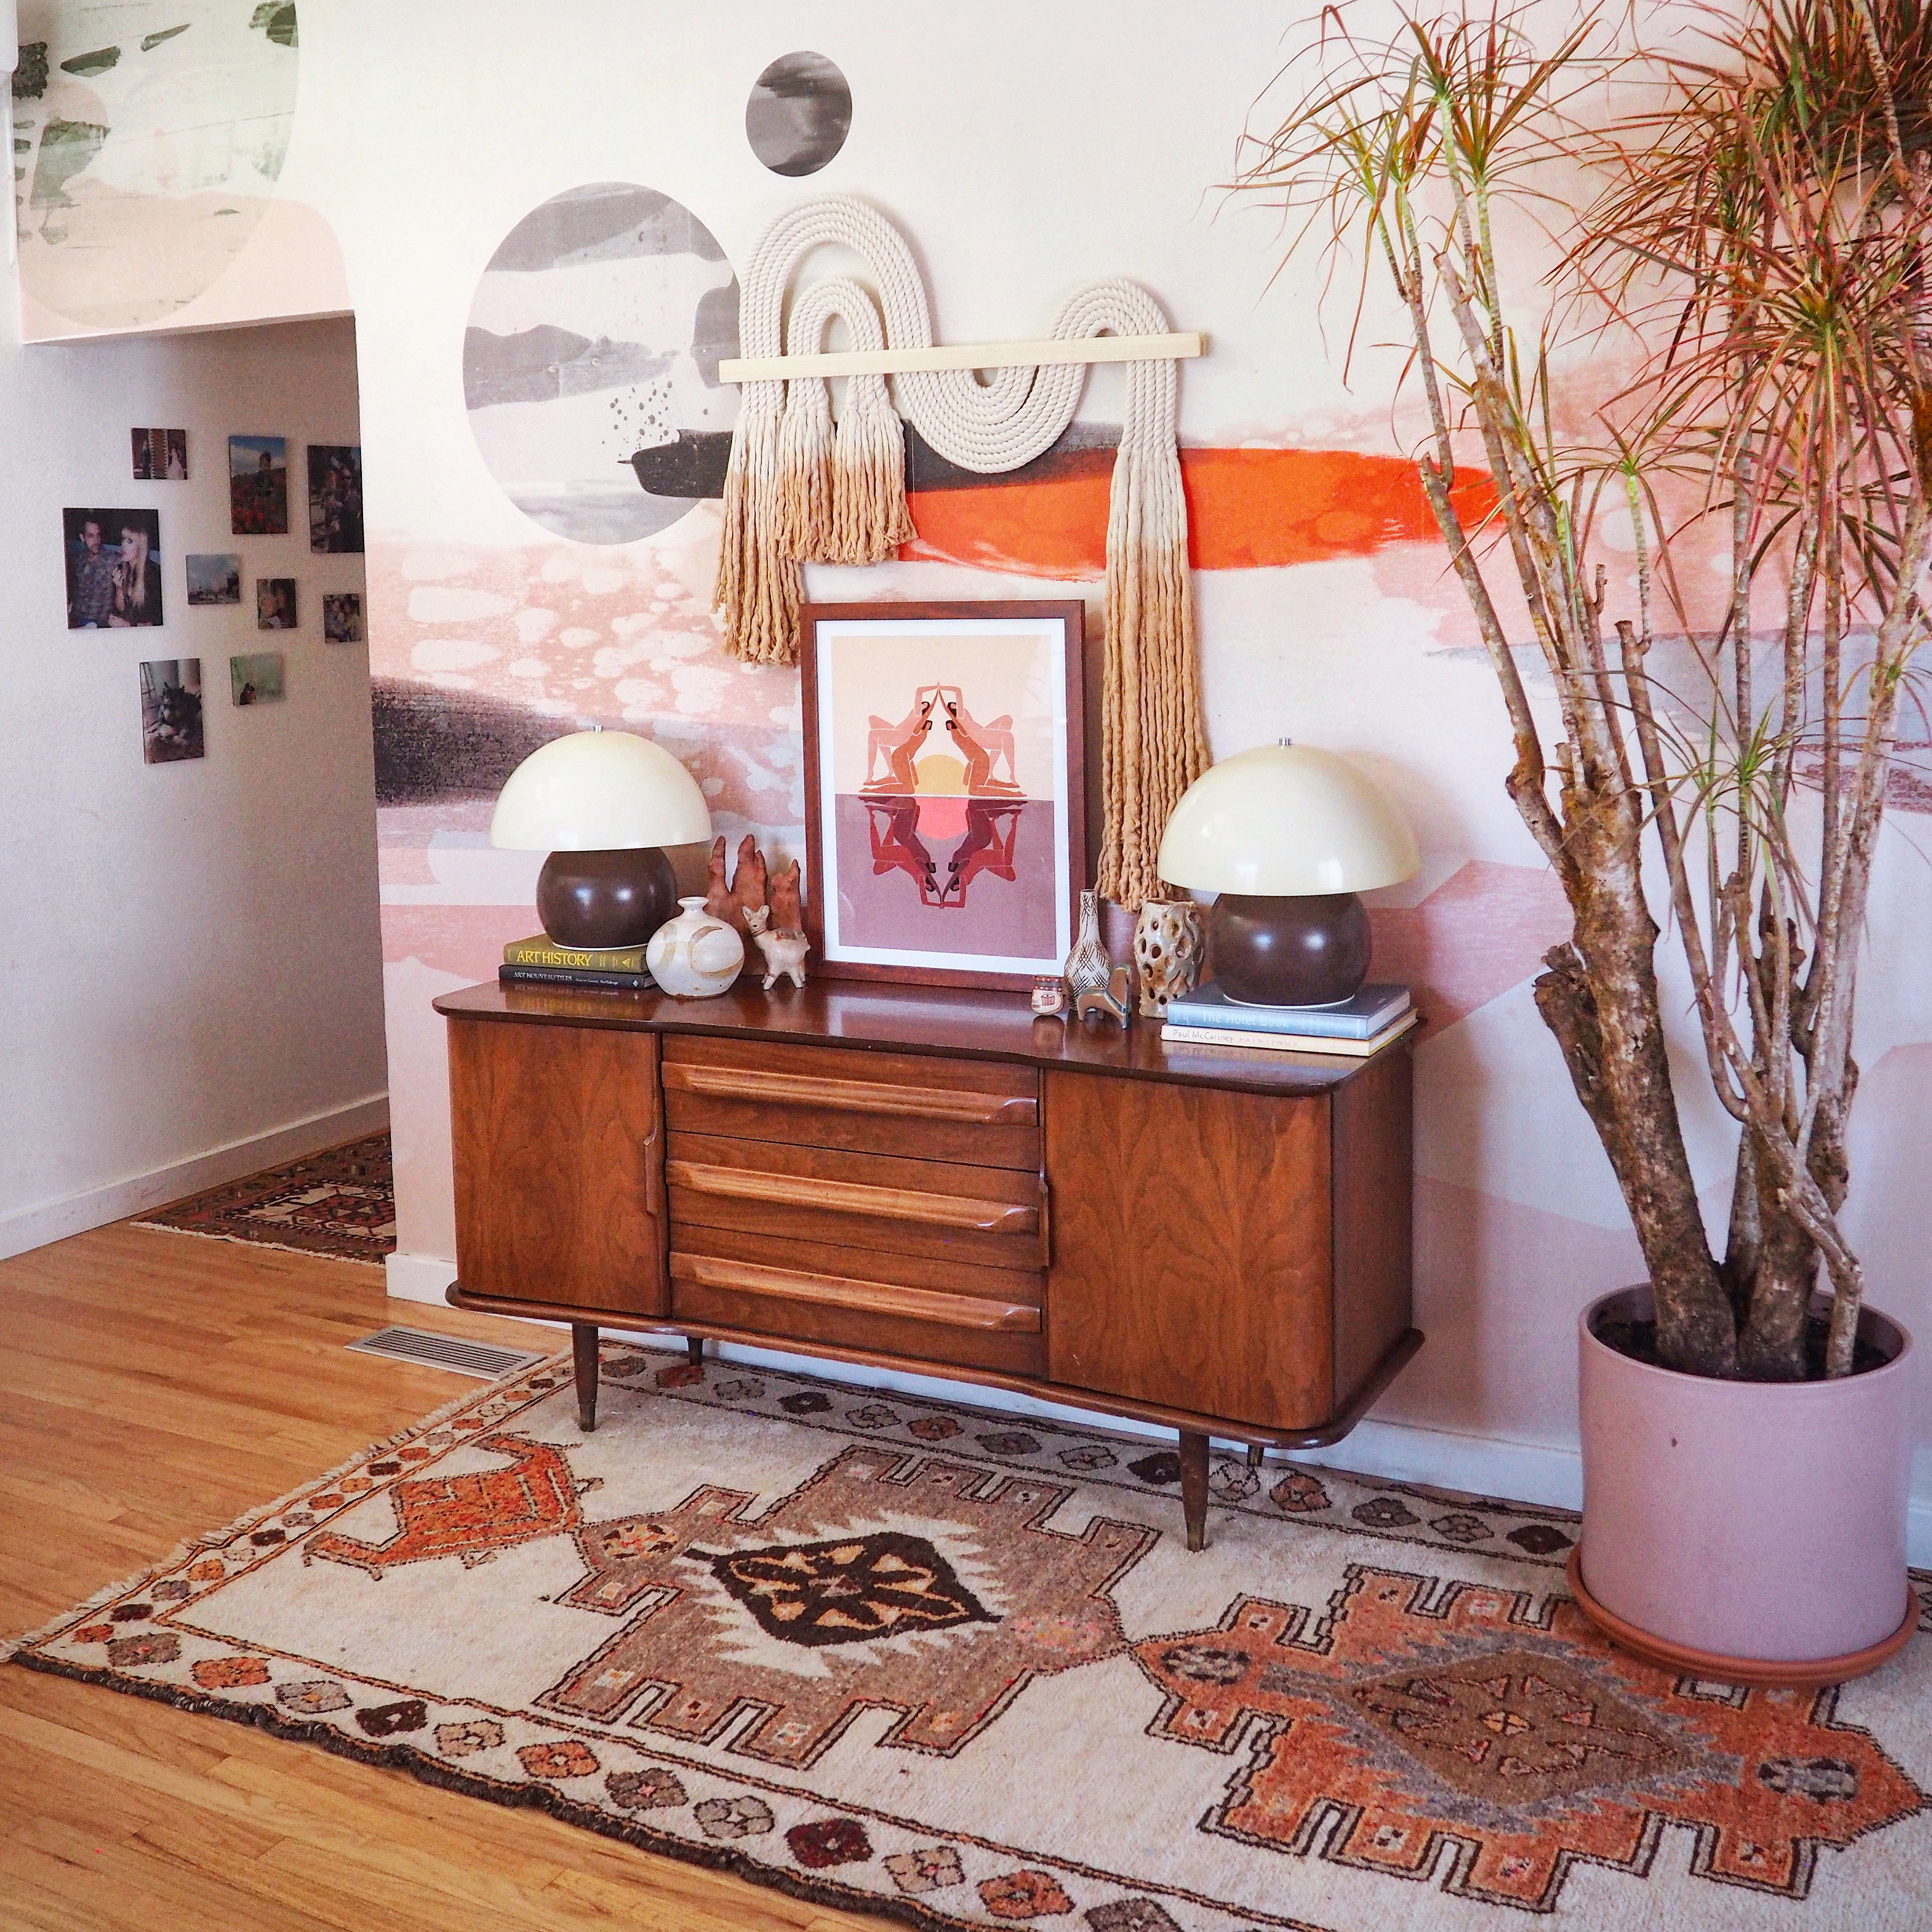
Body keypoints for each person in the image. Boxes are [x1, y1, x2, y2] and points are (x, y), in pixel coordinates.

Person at [107, 521, 161, 627]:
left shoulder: (153, 573)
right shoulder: (121, 569)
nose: (123, 545)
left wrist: (127, 625)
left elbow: (155, 621)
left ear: (140, 547)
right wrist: (119, 589)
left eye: (130, 541)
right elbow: (121, 609)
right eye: (123, 539)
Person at [68, 517, 117, 627]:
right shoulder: (77, 560)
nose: (96, 541)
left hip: (100, 623)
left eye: (98, 535)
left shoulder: (112, 560)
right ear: (82, 537)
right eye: (91, 536)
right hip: (76, 620)